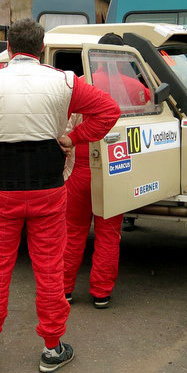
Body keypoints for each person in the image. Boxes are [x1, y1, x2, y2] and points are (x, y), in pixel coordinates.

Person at [0, 18, 120, 373]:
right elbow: (109, 111)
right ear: (42, 48)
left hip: (2, 192)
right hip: (49, 191)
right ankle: (52, 347)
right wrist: (74, 137)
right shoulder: (63, 81)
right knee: (49, 269)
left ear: (9, 49)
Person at [63, 33, 149, 309]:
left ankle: (64, 290)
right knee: (109, 232)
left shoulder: (79, 84)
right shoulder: (137, 88)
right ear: (121, 56)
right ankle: (101, 293)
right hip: (116, 167)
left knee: (73, 230)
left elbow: (64, 124)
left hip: (80, 168)